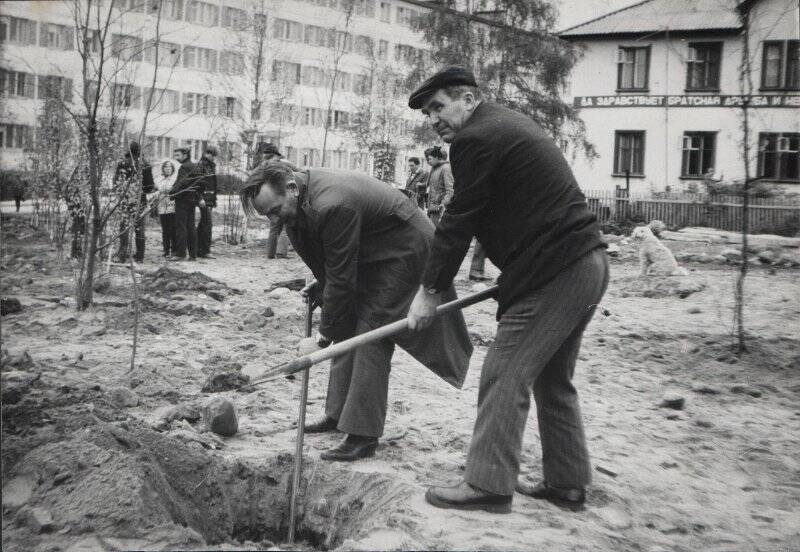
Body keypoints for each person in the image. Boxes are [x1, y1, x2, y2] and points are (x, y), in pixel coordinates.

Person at [406, 67, 607, 513]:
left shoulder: (476, 139)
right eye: (427, 112)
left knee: (503, 372)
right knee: (553, 379)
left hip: (557, 271)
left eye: (438, 106)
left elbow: (460, 219)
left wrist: (430, 290)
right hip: (585, 264)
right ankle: (567, 483)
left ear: (469, 98)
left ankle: (487, 485)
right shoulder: (507, 123)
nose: (433, 119)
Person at [238, 163, 473, 462]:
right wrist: (322, 286)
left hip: (407, 251)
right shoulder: (297, 202)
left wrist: (322, 339)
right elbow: (330, 267)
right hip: (375, 249)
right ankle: (337, 415)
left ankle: (363, 435)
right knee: (346, 325)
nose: (274, 218)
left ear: (292, 189)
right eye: (267, 214)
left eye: (274, 210)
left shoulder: (333, 203)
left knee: (370, 333)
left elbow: (342, 276)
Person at [250, 143, 298, 259]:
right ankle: (281, 253)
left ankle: (270, 254)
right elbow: (299, 172)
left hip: (268, 201)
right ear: (276, 154)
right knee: (285, 227)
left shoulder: (261, 166)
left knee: (274, 227)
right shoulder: (284, 163)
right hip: (282, 198)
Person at [113, 142, 155, 263]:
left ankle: (122, 255)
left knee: (124, 227)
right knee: (140, 228)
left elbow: (116, 183)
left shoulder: (122, 163)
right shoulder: (145, 165)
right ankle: (140, 256)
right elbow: (149, 187)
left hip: (124, 200)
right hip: (139, 200)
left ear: (129, 151)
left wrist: (120, 195)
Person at [170, 147, 200, 261]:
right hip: (191, 200)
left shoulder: (184, 167)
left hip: (182, 200)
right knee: (191, 226)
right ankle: (193, 255)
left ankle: (181, 253)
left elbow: (182, 183)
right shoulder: (194, 166)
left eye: (178, 155)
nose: (176, 158)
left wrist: (171, 192)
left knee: (181, 227)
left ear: (185, 155)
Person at [153, 159, 179, 258]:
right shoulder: (159, 179)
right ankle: (166, 250)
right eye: (166, 167)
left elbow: (174, 190)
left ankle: (174, 250)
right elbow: (157, 190)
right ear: (163, 169)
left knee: (173, 228)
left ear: (172, 169)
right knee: (165, 229)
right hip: (162, 206)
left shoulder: (175, 179)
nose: (168, 169)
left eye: (170, 167)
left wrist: (166, 190)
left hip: (172, 206)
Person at [196, 146, 218, 259]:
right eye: (212, 155)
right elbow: (197, 184)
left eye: (214, 156)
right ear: (206, 154)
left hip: (209, 199)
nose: (214, 158)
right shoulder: (201, 165)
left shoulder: (210, 165)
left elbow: (213, 184)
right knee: (207, 224)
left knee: (203, 223)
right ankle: (205, 251)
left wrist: (214, 199)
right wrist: (200, 198)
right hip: (204, 199)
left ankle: (198, 249)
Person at [423, 146, 454, 225]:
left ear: (437, 157)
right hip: (432, 209)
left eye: (429, 159)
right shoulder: (434, 169)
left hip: (440, 210)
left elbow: (450, 191)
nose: (428, 161)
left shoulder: (446, 168)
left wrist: (443, 204)